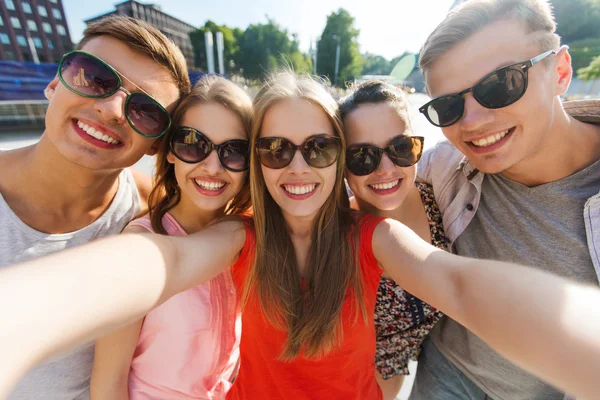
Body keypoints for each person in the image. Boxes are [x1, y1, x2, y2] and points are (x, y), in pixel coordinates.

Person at [2, 72, 600, 400]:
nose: (297, 168)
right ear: (256, 161)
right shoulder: (242, 237)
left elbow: (460, 287)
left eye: (318, 148)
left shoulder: (372, 235)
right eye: (274, 149)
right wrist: (23, 314)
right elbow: (157, 262)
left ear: (341, 157)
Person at [411, 0, 600, 399]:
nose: (472, 122)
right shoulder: (446, 165)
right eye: (448, 107)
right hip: (449, 371)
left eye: (500, 84)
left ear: (560, 72)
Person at [0, 16, 190, 400]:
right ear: (55, 83)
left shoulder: (153, 211)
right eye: (94, 77)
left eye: (146, 111)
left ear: (155, 145)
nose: (113, 109)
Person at [90, 76, 252, 400]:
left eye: (234, 152)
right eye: (193, 143)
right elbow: (108, 385)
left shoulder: (247, 235)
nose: (212, 166)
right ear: (170, 152)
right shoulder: (139, 248)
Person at [339, 80, 445, 400]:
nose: (386, 169)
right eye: (363, 156)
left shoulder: (443, 201)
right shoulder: (335, 236)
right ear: (340, 164)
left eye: (401, 148)